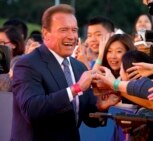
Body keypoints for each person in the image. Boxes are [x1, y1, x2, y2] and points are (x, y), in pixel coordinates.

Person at [11, 4, 119, 141]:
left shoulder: (79, 67)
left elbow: (89, 120)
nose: (71, 36)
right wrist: (76, 88)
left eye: (74, 30)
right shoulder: (27, 65)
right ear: (45, 33)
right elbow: (32, 110)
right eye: (64, 30)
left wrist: (101, 107)